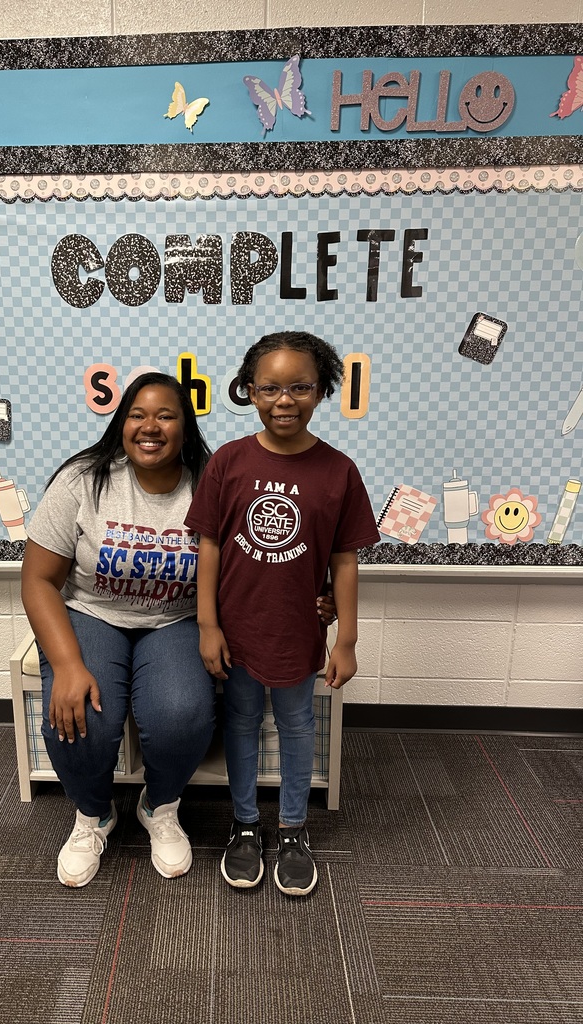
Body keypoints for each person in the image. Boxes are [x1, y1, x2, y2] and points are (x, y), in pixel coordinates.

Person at [185, 330, 379, 897]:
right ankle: (245, 825)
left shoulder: (339, 471)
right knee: (241, 723)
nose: (284, 400)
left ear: (322, 391)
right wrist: (208, 624)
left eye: (300, 387)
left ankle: (293, 828)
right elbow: (209, 546)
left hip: (298, 632)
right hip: (237, 632)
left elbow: (344, 560)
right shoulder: (228, 462)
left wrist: (347, 639)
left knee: (297, 726)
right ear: (249, 392)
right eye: (269, 388)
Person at [21, 372, 216, 887]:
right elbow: (38, 580)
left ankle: (160, 806)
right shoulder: (83, 480)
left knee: (182, 712)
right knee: (79, 712)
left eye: (166, 416)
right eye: (137, 415)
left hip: (175, 618)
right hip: (91, 613)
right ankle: (93, 814)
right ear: (121, 424)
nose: (150, 427)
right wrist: (67, 665)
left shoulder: (210, 483)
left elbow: (251, 564)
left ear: (186, 427)